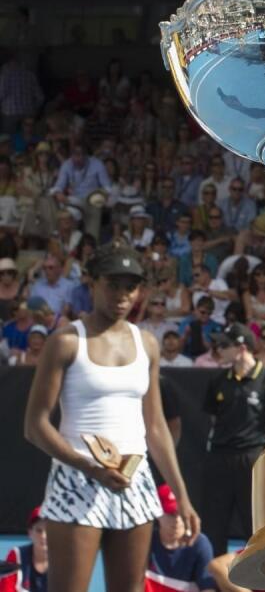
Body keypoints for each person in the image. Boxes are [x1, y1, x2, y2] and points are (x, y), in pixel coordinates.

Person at [23, 241, 200, 592]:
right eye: (113, 284)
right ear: (91, 282)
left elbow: (156, 427)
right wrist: (89, 466)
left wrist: (182, 496)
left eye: (130, 286)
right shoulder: (66, 341)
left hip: (134, 479)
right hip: (76, 479)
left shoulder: (147, 343)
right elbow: (35, 425)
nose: (122, 295)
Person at [202, 322, 265, 556]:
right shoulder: (218, 381)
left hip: (251, 459)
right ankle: (216, 580)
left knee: (255, 525)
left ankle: (257, 584)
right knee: (214, 524)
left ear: (241, 347)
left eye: (224, 345)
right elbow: (211, 420)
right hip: (219, 459)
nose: (218, 349)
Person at [145, 485, 214, 592]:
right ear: (157, 514)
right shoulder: (146, 542)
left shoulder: (200, 544)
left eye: (181, 514)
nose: (177, 520)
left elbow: (208, 588)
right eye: (171, 514)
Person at [0, 507, 47, 592]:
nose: (44, 536)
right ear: (30, 532)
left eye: (49, 530)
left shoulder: (65, 560)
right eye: (39, 531)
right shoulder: (16, 555)